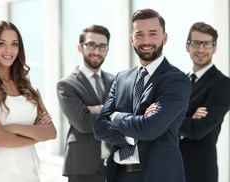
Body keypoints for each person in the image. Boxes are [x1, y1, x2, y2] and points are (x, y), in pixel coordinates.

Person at [93, 8, 192, 182]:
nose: (146, 41)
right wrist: (132, 134)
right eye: (139, 34)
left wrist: (115, 116)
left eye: (153, 34)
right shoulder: (122, 78)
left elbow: (149, 129)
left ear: (165, 38)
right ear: (132, 39)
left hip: (158, 175)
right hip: (118, 174)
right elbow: (99, 128)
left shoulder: (176, 80)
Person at [0, 20, 57, 182]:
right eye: (1, 43)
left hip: (30, 172)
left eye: (14, 44)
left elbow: (51, 132)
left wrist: (14, 128)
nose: (9, 50)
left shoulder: (28, 84)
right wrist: (37, 134)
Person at [56, 25, 115, 182]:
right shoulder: (67, 84)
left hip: (115, 166)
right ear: (80, 47)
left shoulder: (115, 81)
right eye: (90, 45)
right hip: (82, 167)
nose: (96, 51)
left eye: (102, 46)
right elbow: (83, 123)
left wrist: (96, 110)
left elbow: (127, 115)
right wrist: (112, 113)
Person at [179, 22, 230, 182]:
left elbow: (197, 130)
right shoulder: (180, 82)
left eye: (207, 44)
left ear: (214, 48)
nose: (201, 49)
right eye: (196, 43)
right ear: (187, 46)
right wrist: (187, 119)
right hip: (171, 168)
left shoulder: (222, 84)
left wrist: (169, 118)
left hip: (199, 172)